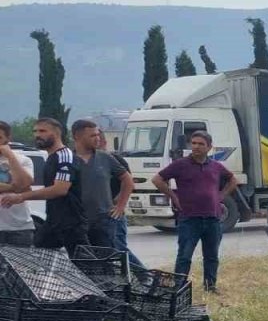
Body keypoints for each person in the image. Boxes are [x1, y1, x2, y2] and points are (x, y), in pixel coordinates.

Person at [152, 129, 237, 293]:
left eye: (201, 144)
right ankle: (179, 287)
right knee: (184, 255)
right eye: (194, 143)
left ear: (209, 147)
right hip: (189, 218)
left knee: (211, 256)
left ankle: (210, 286)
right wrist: (173, 196)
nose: (196, 147)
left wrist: (221, 196)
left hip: (212, 218)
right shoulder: (180, 165)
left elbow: (233, 180)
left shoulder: (216, 166)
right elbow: (157, 179)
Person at [0, 117, 88, 252]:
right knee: (41, 254)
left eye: (42, 131)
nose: (37, 135)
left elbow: (60, 189)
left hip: (70, 222)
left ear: (57, 133)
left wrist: (21, 196)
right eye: (35, 131)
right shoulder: (51, 157)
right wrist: (15, 190)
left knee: (85, 263)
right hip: (53, 220)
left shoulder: (64, 156)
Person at [70, 118, 132, 254]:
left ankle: (143, 274)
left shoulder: (105, 158)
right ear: (76, 136)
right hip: (78, 221)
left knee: (108, 259)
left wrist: (120, 206)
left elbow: (127, 180)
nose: (97, 138)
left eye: (97, 134)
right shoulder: (68, 159)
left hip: (103, 220)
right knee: (83, 260)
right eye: (92, 135)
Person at [96, 128, 144, 268]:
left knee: (119, 248)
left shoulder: (114, 159)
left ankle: (145, 276)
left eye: (97, 138)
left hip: (114, 212)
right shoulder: (88, 161)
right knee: (107, 250)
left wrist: (118, 203)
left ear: (103, 141)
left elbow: (129, 182)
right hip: (98, 213)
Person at [0, 120, 37, 246]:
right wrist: (15, 187)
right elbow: (22, 187)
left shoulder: (23, 160)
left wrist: (10, 156)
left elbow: (26, 183)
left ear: (8, 138)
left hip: (19, 229)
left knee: (21, 266)